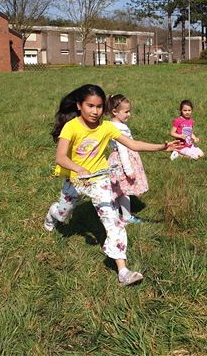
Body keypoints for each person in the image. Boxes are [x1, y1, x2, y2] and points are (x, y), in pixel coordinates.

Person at [44, 84, 179, 286]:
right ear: (80, 105)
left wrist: (161, 147)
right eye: (90, 106)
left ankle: (123, 271)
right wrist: (78, 169)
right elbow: (60, 157)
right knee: (64, 212)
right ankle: (52, 215)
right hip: (75, 180)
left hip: (99, 180)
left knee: (113, 220)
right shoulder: (71, 126)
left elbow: (133, 144)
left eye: (99, 107)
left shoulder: (106, 127)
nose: (95, 111)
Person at [107, 94, 148, 225]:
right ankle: (126, 216)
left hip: (115, 160)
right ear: (114, 111)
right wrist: (128, 170)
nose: (129, 114)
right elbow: (123, 150)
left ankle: (117, 213)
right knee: (125, 190)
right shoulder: (119, 128)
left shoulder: (112, 125)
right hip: (123, 162)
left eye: (129, 111)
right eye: (126, 112)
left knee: (119, 189)